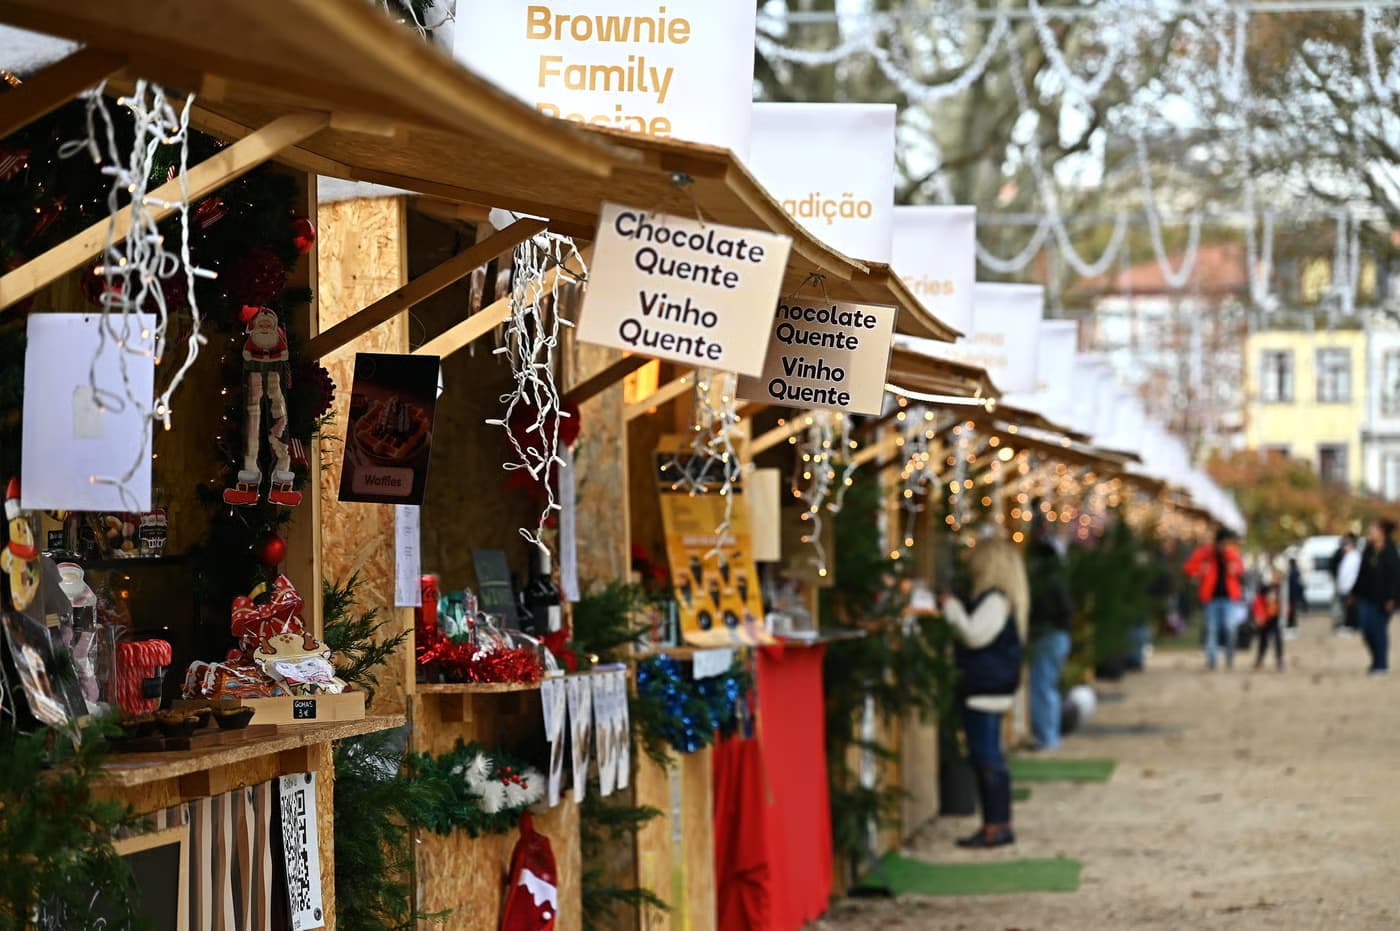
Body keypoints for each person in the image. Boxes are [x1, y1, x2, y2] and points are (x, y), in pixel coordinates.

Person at [940, 538, 1028, 849]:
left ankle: (995, 824)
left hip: (984, 687)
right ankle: (998, 823)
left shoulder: (994, 600)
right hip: (990, 686)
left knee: (986, 758)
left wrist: (949, 606)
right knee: (989, 757)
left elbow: (973, 635)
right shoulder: (1002, 600)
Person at [1025, 514, 1073, 751]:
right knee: (1048, 688)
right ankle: (1050, 735)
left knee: (1042, 688)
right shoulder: (1058, 582)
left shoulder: (1045, 586)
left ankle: (1048, 737)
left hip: (1050, 637)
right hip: (1059, 637)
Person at [1184, 528, 1246, 670]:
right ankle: (1212, 660)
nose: (1225, 547)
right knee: (1212, 629)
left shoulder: (1232, 554)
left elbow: (1241, 570)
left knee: (1230, 628)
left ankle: (1229, 656)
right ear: (1217, 543)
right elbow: (1188, 568)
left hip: (1229, 598)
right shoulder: (1205, 553)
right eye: (1223, 544)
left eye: (1227, 544)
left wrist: (1234, 569)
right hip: (1211, 598)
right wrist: (1201, 569)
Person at [1350, 519, 1400, 675]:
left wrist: (1392, 598)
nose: (1370, 532)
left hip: (1384, 600)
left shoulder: (1391, 551)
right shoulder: (1368, 550)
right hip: (1366, 597)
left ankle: (1381, 665)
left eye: (1372, 529)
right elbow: (1361, 574)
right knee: (1366, 630)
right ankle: (1376, 659)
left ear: (1381, 532)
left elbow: (1396, 577)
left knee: (1379, 630)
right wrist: (1353, 592)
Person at [1252, 574, 1285, 671]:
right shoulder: (1264, 587)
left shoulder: (1280, 588)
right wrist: (1258, 615)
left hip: (1276, 616)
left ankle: (1279, 660)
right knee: (1263, 639)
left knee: (1277, 638)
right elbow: (1258, 600)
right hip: (1265, 616)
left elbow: (1283, 602)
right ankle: (1260, 659)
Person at [1333, 533, 1361, 635]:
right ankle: (1348, 625)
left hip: (1350, 588)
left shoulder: (1355, 557)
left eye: (1346, 545)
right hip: (1345, 588)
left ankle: (1352, 627)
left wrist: (1351, 589)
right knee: (1346, 608)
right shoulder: (1348, 556)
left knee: (1351, 608)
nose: (1344, 547)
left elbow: (1353, 574)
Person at [1285, 557, 1305, 637]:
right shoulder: (1295, 572)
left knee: (1292, 612)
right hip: (1293, 595)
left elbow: (1297, 584)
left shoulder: (1294, 572)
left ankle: (1292, 627)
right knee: (1292, 612)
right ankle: (1292, 626)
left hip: (1292, 595)